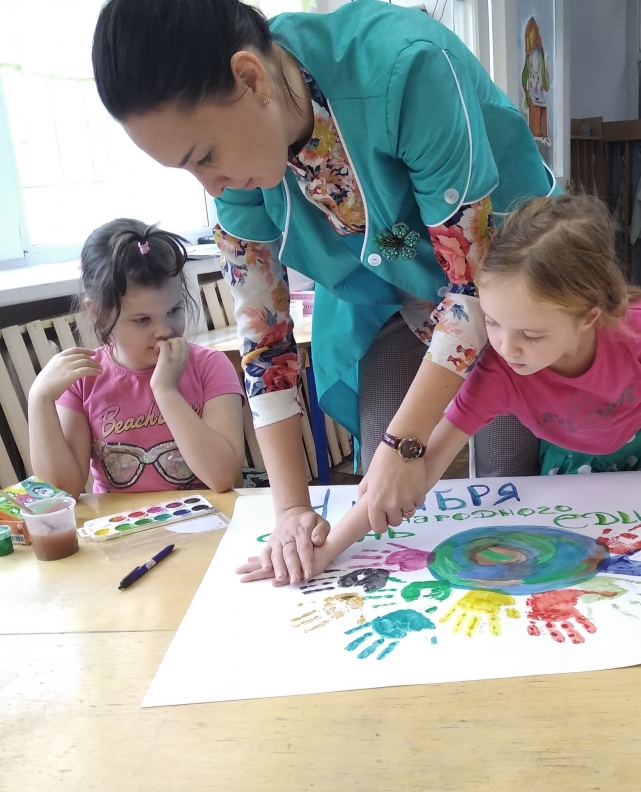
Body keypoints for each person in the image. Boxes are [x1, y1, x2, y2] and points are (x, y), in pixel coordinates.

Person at [92, 0, 556, 582]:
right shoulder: (235, 178)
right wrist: (290, 509)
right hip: (389, 296)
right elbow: (263, 338)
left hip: (507, 287)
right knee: (383, 484)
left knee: (508, 466)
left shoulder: (406, 67)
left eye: (205, 156)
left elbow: (472, 286)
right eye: (187, 170)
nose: (212, 186)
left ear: (250, 79)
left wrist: (407, 446)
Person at [237, 194, 641, 583]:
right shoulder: (499, 372)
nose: (506, 348)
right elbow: (421, 467)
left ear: (588, 317)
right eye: (492, 323)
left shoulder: (633, 339)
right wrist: (329, 550)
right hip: (571, 465)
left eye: (531, 335)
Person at [29, 219, 245, 497]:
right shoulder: (83, 379)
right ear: (97, 312)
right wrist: (39, 400)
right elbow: (63, 491)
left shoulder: (210, 366)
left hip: (208, 517)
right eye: (142, 319)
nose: (163, 330)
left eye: (174, 310)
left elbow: (223, 477)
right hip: (121, 523)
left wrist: (165, 390)